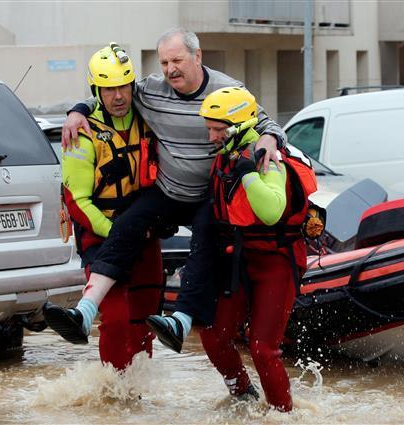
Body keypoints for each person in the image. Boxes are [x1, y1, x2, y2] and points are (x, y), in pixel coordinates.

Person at [56, 28, 287, 346]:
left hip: (209, 194)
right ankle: (84, 311)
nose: (170, 69)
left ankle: (181, 319)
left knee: (203, 241)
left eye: (177, 60)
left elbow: (266, 122)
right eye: (164, 62)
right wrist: (76, 111)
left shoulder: (229, 89)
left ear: (198, 56)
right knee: (126, 225)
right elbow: (110, 94)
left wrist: (271, 137)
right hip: (167, 191)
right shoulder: (150, 90)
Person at [179, 86, 316, 412]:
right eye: (209, 128)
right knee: (213, 335)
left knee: (262, 348)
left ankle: (284, 416)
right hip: (237, 260)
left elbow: (271, 210)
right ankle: (243, 394)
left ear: (238, 127)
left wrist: (249, 175)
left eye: (217, 129)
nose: (211, 136)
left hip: (275, 260)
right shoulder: (226, 156)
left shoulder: (267, 156)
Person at [43, 44, 163, 371]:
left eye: (123, 85)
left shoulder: (148, 116)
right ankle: (112, 395)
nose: (118, 95)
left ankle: (137, 396)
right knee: (117, 320)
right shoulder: (81, 133)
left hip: (145, 230)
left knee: (147, 319)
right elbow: (77, 203)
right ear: (97, 89)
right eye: (109, 88)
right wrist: (118, 234)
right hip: (102, 234)